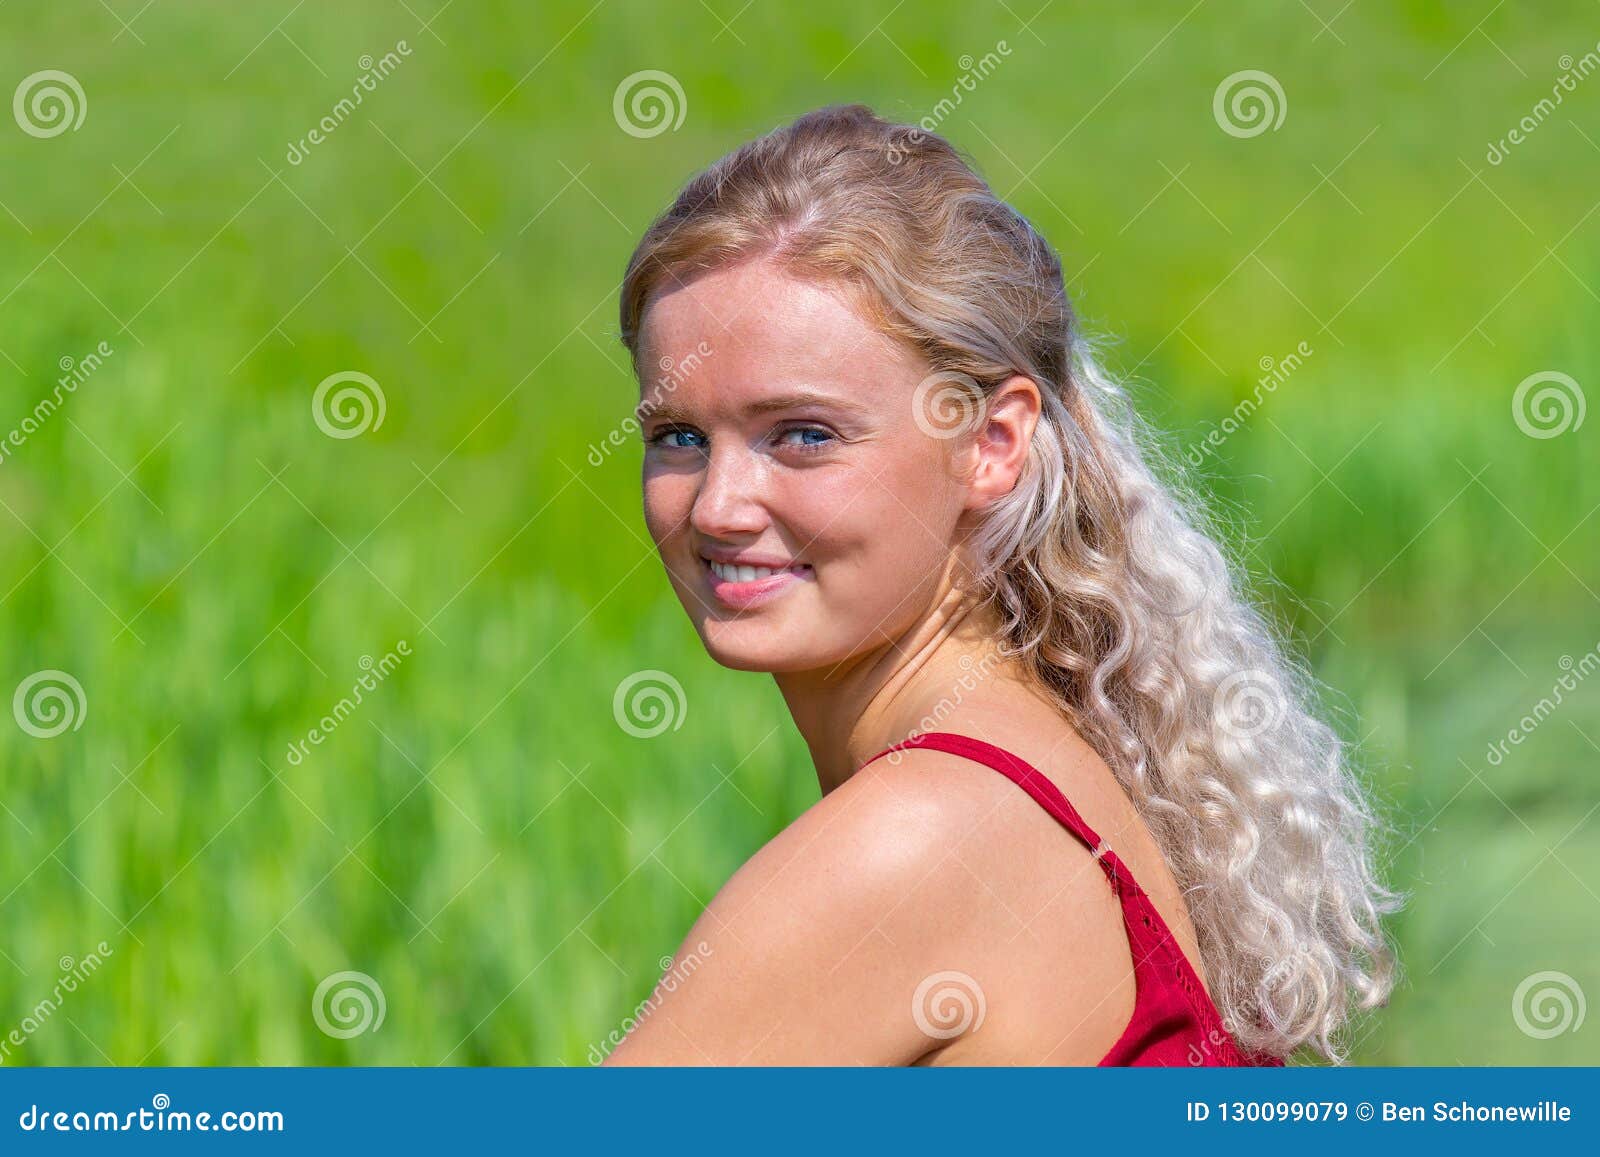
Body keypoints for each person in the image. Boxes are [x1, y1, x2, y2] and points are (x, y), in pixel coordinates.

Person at [604, 103, 1402, 1066]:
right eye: (678, 436)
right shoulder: (1053, 751)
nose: (719, 506)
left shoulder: (915, 843)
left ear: (992, 442)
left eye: (802, 434)